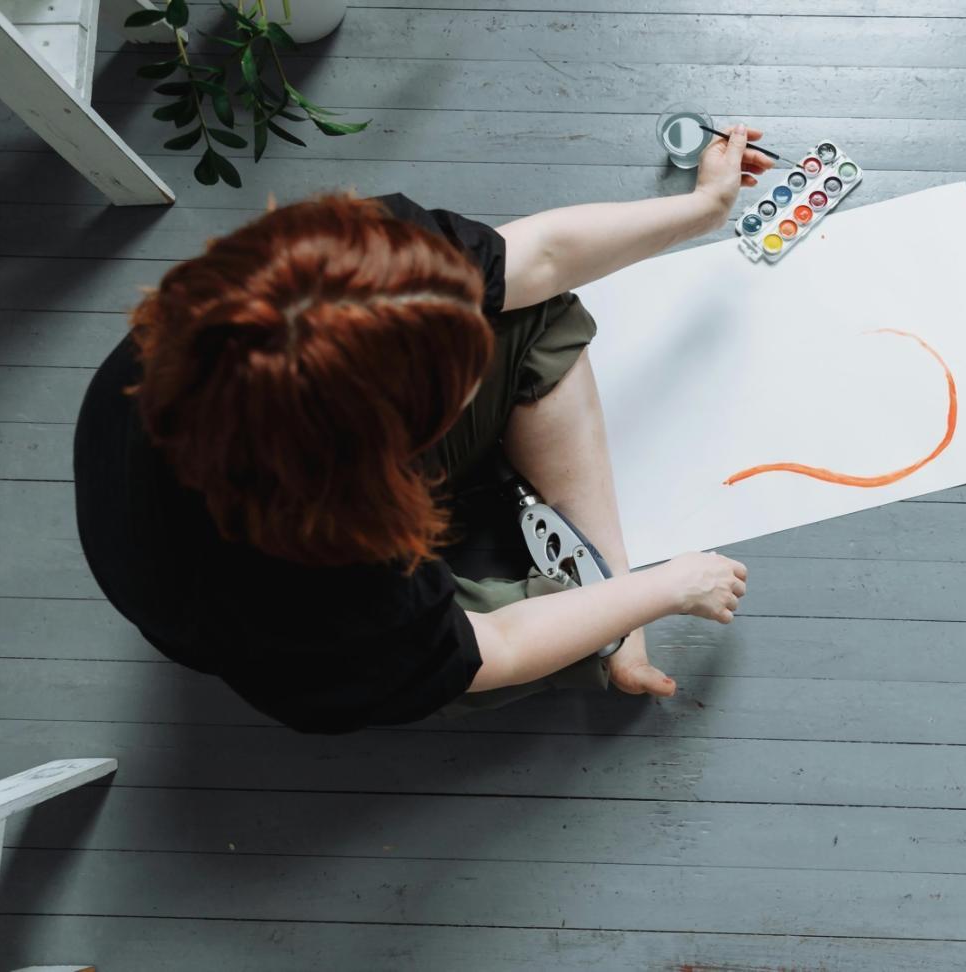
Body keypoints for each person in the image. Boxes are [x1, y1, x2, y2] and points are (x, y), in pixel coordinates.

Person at [73, 125, 774, 734]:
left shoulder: (334, 272)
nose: (479, 347)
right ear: (384, 455)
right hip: (317, 645)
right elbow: (491, 646)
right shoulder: (316, 589)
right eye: (458, 374)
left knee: (534, 311)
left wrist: (701, 210)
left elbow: (539, 260)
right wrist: (668, 587)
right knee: (536, 642)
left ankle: (602, 599)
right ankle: (603, 619)